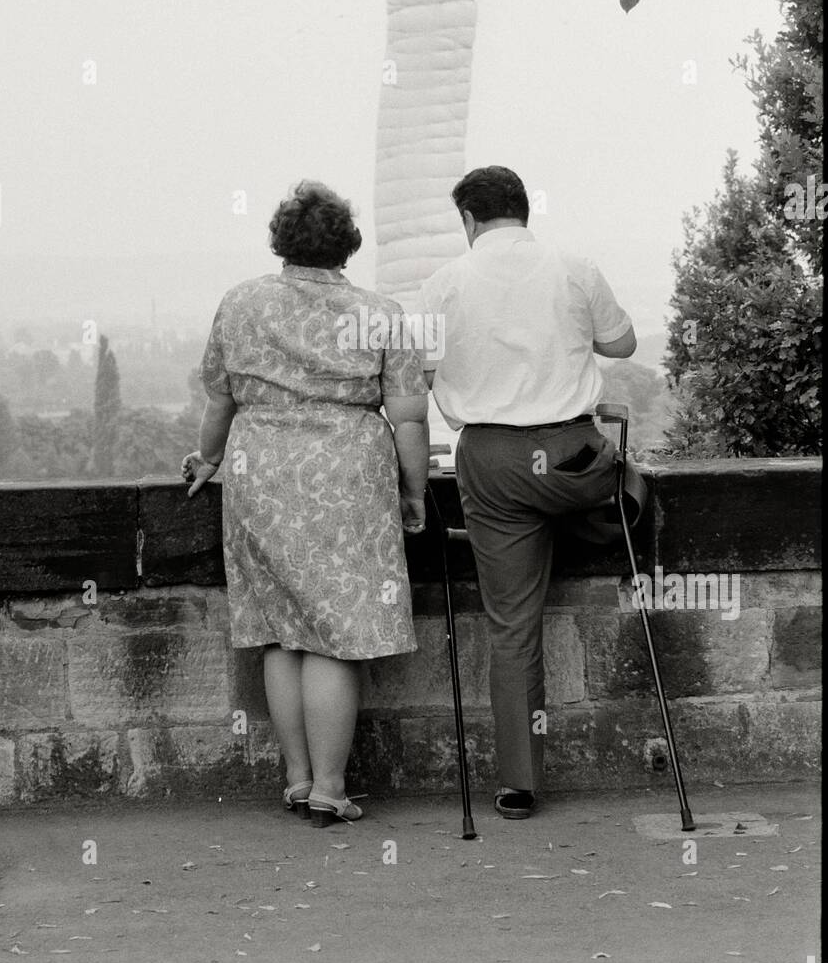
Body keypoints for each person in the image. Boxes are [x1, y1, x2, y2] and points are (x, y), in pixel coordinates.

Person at [181, 180, 429, 826]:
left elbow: (219, 400)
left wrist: (208, 459)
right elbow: (407, 417)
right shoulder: (380, 312)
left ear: (280, 240)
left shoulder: (239, 304)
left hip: (260, 471)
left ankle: (295, 780)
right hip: (348, 474)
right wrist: (414, 490)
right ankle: (330, 788)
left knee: (278, 632)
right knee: (335, 635)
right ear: (347, 244)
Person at [415, 166, 636, 819]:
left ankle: (518, 784)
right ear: (524, 212)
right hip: (574, 461)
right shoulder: (574, 265)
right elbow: (621, 343)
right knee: (627, 485)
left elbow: (417, 373)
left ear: (469, 221)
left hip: (492, 462)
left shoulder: (442, 283)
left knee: (512, 629)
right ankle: (593, 525)